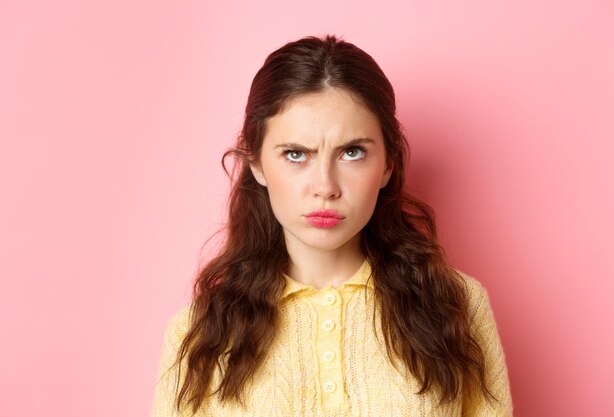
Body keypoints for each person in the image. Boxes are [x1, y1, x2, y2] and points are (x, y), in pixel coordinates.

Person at [150, 35, 513, 417]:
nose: (325, 186)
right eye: (295, 154)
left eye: (352, 152)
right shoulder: (198, 332)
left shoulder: (457, 305)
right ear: (256, 162)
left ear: (388, 163)